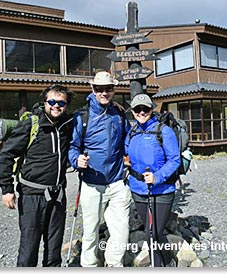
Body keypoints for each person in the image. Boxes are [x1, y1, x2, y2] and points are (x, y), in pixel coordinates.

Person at [0, 85, 74, 267]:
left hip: (57, 196)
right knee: (29, 249)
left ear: (66, 105)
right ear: (45, 102)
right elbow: (7, 155)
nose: (56, 106)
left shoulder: (66, 125)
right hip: (32, 196)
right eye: (52, 101)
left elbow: (88, 116)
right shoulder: (32, 124)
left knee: (54, 250)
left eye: (61, 102)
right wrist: (7, 189)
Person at [68, 71, 132, 267]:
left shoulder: (119, 114)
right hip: (91, 184)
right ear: (93, 89)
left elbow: (128, 141)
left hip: (117, 182)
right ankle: (89, 266)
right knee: (90, 231)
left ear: (113, 90)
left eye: (108, 89)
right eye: (99, 89)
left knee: (121, 232)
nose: (104, 92)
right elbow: (72, 145)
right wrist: (75, 159)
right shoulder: (82, 116)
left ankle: (114, 264)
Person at [124, 94, 180, 267]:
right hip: (138, 188)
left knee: (155, 231)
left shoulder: (164, 131)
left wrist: (158, 177)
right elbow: (126, 153)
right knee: (149, 232)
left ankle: (168, 260)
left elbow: (174, 160)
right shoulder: (132, 132)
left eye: (145, 109)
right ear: (132, 111)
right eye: (137, 109)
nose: (141, 112)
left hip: (162, 190)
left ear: (151, 109)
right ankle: (158, 264)